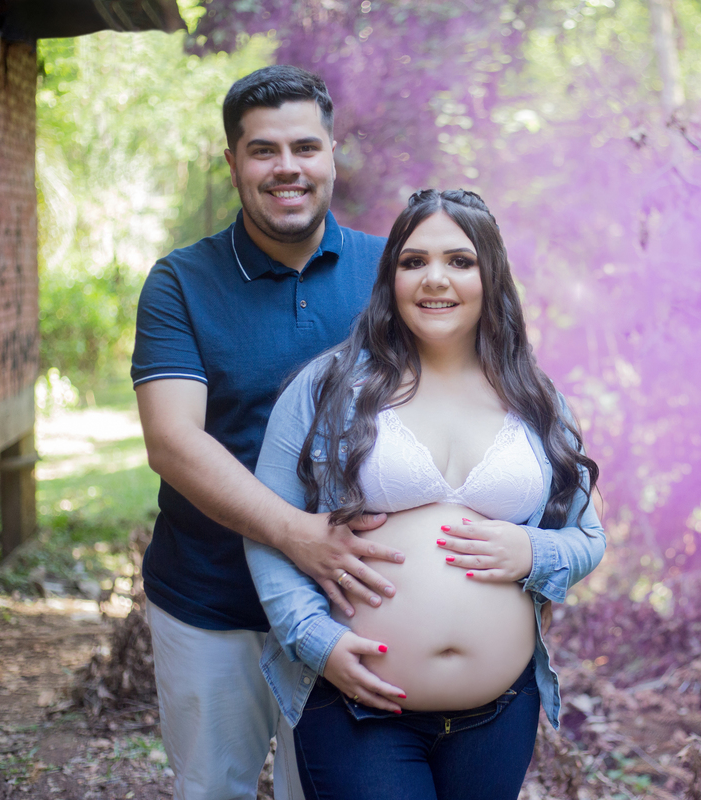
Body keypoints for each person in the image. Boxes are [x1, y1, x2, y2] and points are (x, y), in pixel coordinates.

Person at [246, 189, 605, 800]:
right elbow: (267, 529)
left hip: (500, 711)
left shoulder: (537, 399)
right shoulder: (327, 388)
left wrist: (532, 552)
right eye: (414, 261)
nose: (434, 278)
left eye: (459, 261)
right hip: (359, 706)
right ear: (391, 276)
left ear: (491, 274)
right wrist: (316, 641)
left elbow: (588, 538)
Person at [131, 65, 407, 800]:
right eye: (263, 150)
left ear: (332, 155)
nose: (288, 167)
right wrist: (297, 534)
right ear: (233, 163)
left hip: (352, 602)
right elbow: (173, 442)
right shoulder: (180, 283)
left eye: (305, 147)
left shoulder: (391, 271)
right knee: (213, 790)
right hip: (211, 603)